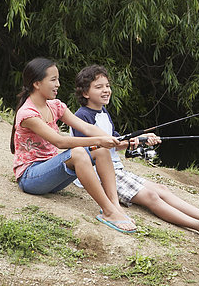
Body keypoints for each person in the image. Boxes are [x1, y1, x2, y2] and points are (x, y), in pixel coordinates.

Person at [72, 64, 199, 239]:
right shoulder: (81, 117)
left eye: (107, 86)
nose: (106, 90)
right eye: (99, 87)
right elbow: (87, 149)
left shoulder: (103, 113)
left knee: (161, 188)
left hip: (116, 170)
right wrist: (124, 141)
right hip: (98, 175)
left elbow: (115, 141)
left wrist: (141, 139)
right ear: (85, 93)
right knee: (151, 196)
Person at [10, 57, 138, 234]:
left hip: (53, 175)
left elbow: (86, 127)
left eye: (58, 79)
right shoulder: (28, 113)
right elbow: (60, 141)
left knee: (100, 150)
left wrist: (119, 140)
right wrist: (98, 140)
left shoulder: (55, 106)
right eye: (53, 80)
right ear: (37, 83)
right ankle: (108, 212)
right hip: (31, 178)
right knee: (79, 152)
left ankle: (114, 206)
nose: (58, 84)